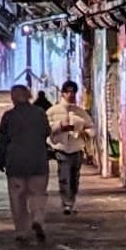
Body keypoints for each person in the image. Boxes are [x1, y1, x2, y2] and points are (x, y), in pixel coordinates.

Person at [0, 80, 52, 244]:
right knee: (38, 194)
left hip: (15, 163)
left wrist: (0, 160)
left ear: (13, 98)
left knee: (17, 197)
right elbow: (46, 132)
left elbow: (2, 140)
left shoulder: (9, 116)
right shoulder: (40, 113)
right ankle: (37, 219)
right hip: (38, 161)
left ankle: (21, 230)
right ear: (28, 96)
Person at [49, 79, 91, 216]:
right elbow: (45, 127)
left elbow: (91, 127)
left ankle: (71, 201)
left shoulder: (80, 112)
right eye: (68, 92)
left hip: (76, 148)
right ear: (63, 93)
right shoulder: (53, 111)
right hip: (61, 148)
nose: (70, 95)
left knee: (74, 178)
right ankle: (66, 203)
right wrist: (59, 127)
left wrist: (85, 133)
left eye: (73, 92)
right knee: (64, 176)